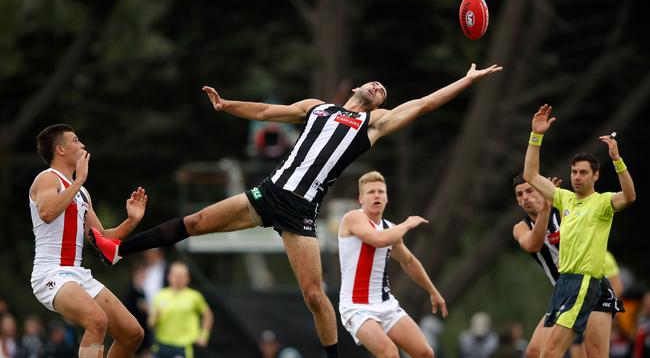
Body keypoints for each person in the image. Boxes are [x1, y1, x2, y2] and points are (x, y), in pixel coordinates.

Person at [89, 63, 502, 357]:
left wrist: (465, 80)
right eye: (375, 86)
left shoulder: (372, 125)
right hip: (269, 193)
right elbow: (269, 112)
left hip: (301, 210)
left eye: (383, 93)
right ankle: (117, 250)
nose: (379, 89)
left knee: (314, 296)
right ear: (358, 86)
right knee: (196, 221)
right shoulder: (318, 106)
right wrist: (227, 106)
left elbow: (425, 104)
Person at [522, 104, 636, 358]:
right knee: (540, 352)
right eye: (574, 171)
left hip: (584, 281)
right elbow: (530, 174)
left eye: (583, 172)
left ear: (595, 176)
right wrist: (536, 135)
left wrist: (617, 160)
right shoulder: (565, 199)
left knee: (551, 353)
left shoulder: (603, 202)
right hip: (564, 283)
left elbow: (629, 196)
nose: (576, 177)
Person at [29, 124, 146, 358]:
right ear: (60, 149)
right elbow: (47, 213)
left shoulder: (81, 192)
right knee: (97, 320)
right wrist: (79, 179)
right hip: (50, 273)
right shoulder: (47, 179)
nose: (82, 145)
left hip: (76, 274)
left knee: (133, 334)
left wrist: (132, 221)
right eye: (75, 140)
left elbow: (102, 238)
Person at [512, 174, 626, 358]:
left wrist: (551, 205)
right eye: (519, 194)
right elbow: (533, 244)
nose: (525, 197)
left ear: (542, 191)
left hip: (591, 288)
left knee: (594, 354)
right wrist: (545, 209)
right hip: (563, 292)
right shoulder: (521, 227)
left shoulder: (563, 211)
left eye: (530, 191)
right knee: (534, 352)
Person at [337, 171, 446, 358]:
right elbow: (378, 240)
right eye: (371, 192)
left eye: (381, 192)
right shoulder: (353, 218)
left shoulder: (389, 228)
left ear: (387, 198)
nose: (377, 195)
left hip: (385, 304)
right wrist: (407, 224)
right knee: (390, 353)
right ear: (361, 199)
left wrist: (433, 291)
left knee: (425, 353)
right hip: (357, 306)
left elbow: (409, 261)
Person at [149, 261, 213, 358]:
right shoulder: (160, 295)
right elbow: (151, 323)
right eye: (175, 274)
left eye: (182, 275)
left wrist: (204, 335)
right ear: (169, 276)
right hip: (161, 346)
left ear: (188, 278)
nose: (178, 278)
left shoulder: (194, 296)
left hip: (183, 346)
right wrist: (155, 317)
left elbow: (208, 315)